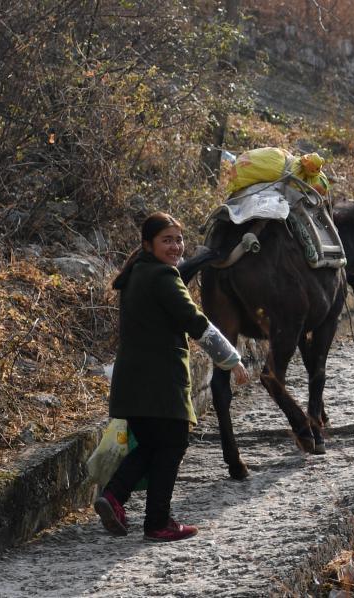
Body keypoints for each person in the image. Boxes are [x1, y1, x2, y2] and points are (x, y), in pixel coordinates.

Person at [95, 212, 249, 542]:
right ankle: (158, 522)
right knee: (172, 444)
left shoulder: (137, 273)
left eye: (178, 239)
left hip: (132, 382)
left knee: (149, 446)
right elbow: (195, 321)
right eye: (167, 240)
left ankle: (113, 497)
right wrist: (230, 359)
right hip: (160, 381)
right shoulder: (163, 276)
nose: (176, 246)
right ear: (148, 244)